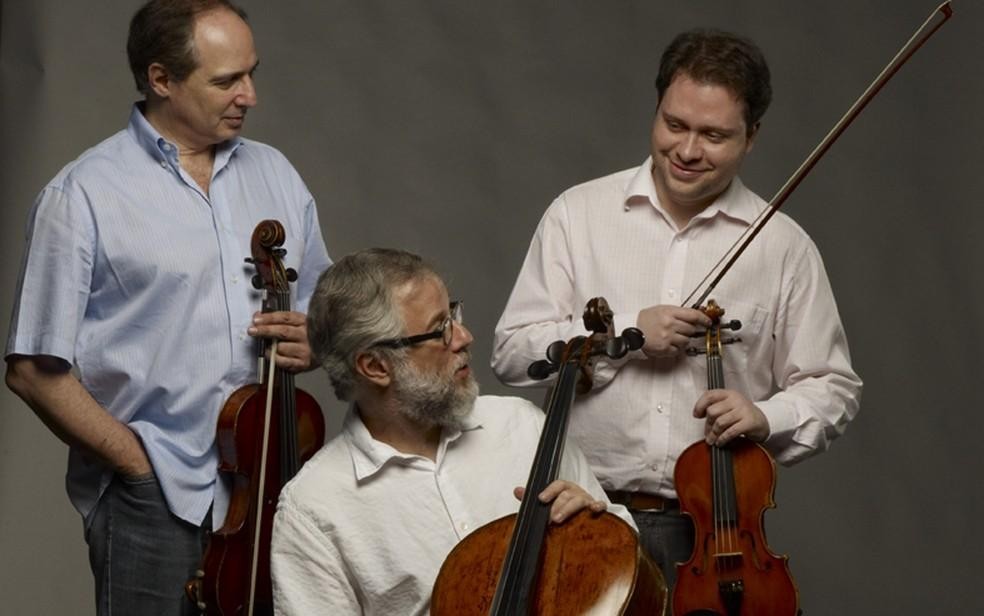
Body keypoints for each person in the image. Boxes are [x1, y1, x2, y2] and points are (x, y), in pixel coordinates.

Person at [491, 29, 862, 587]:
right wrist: (624, 339)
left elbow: (833, 387)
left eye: (714, 135)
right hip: (580, 514)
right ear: (657, 108)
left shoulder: (783, 246)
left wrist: (766, 416)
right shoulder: (578, 214)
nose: (688, 151)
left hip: (715, 536)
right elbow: (512, 354)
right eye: (675, 125)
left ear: (752, 136)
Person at [4, 1, 330, 614]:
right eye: (227, 80)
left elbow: (320, 306)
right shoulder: (83, 195)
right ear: (161, 80)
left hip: (269, 484)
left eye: (251, 72)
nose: (250, 95)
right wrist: (136, 465)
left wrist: (314, 338)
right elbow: (31, 369)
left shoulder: (276, 174)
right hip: (152, 498)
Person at [270, 248, 635, 615]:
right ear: (376, 366)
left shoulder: (522, 425)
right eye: (440, 329)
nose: (464, 336)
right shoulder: (313, 509)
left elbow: (629, 552)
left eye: (454, 315)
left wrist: (595, 530)